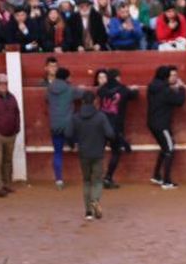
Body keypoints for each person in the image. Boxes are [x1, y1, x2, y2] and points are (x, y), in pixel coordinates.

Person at [68, 91, 114, 221]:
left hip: (83, 153)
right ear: (95, 102)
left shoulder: (76, 117)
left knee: (86, 181)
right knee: (97, 181)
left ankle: (88, 212)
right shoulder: (101, 116)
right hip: (98, 152)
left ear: (82, 102)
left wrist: (73, 144)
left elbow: (68, 133)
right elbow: (110, 133)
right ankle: (95, 200)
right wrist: (106, 141)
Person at [95, 68, 139, 189]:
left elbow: (99, 93)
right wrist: (134, 89)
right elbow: (134, 95)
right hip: (116, 126)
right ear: (117, 78)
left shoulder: (102, 90)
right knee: (116, 152)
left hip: (102, 125)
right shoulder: (123, 89)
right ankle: (108, 177)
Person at [147, 65, 186, 189]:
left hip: (152, 122)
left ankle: (157, 176)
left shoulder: (152, 87)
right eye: (171, 75)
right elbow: (179, 101)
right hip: (162, 124)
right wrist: (182, 88)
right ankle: (167, 181)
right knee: (169, 149)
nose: (174, 77)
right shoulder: (165, 90)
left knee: (165, 148)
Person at [45, 63, 76, 189]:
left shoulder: (49, 89)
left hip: (55, 125)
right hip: (69, 126)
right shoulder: (69, 89)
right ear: (66, 78)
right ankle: (73, 144)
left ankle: (58, 180)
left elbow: (46, 99)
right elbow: (83, 95)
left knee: (57, 152)